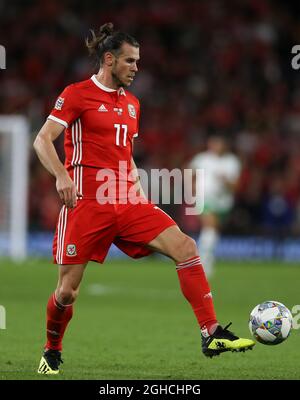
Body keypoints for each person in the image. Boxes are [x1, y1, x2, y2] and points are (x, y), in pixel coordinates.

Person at [33, 23, 254, 375]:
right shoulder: (76, 95)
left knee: (185, 247)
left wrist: (135, 179)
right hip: (87, 204)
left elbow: (124, 152)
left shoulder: (133, 104)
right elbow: (43, 140)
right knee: (66, 293)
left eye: (138, 61)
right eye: (130, 61)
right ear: (109, 60)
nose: (136, 68)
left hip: (127, 200)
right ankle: (52, 348)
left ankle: (211, 333)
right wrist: (62, 175)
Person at [189, 136, 241, 277]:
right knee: (209, 227)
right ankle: (203, 262)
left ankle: (207, 259)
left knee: (213, 231)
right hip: (204, 198)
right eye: (213, 143)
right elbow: (189, 172)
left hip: (223, 202)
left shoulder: (231, 162)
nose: (215, 146)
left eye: (218, 143)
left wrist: (225, 181)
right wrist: (193, 188)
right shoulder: (202, 159)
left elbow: (235, 187)